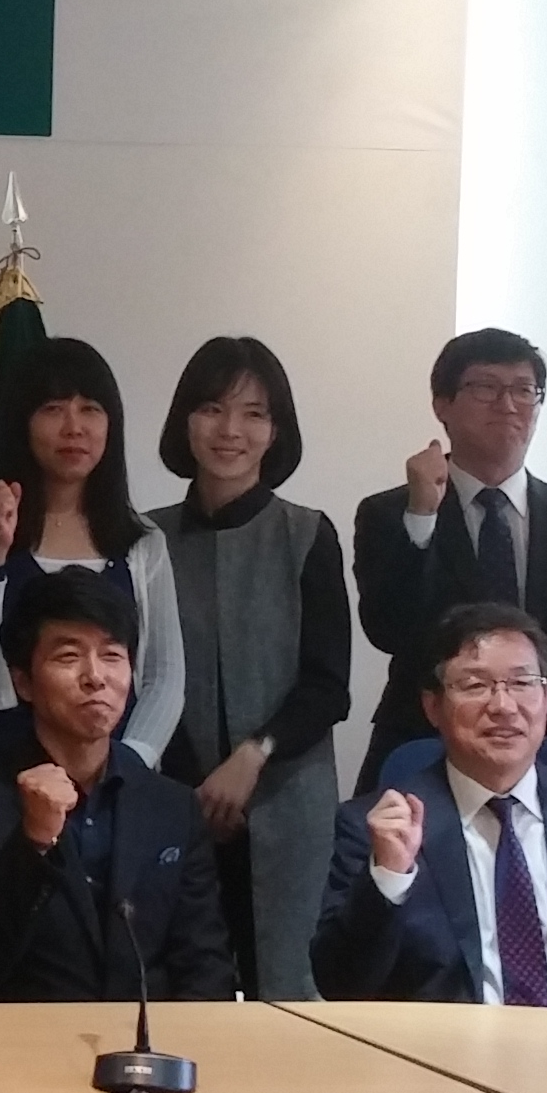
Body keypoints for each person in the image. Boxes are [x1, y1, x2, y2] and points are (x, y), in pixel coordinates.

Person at [319, 605, 547, 1014]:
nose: (503, 705)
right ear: (432, 707)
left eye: (522, 683)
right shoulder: (373, 828)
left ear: (546, 700)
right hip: (444, 1049)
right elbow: (341, 985)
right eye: (475, 685)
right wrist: (388, 878)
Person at [0, 571, 233, 1005]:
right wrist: (33, 844)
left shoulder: (172, 807)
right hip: (21, 1039)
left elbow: (205, 968)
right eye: (69, 657)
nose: (96, 677)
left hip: (147, 1039)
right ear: (23, 682)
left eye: (112, 656)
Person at [148, 336, 349, 1001]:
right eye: (212, 408)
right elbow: (140, 677)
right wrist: (197, 789)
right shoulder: (146, 539)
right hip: (175, 802)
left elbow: (328, 687)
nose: (230, 430)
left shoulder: (306, 533)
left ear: (276, 430)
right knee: (181, 990)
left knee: (287, 994)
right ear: (184, 420)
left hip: (287, 801)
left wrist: (251, 757)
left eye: (254, 413)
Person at [353, 328, 547, 787]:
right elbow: (388, 629)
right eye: (486, 388)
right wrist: (422, 516)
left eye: (524, 390)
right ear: (442, 404)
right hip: (425, 745)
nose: (508, 405)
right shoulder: (391, 512)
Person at [0, 335, 184, 758]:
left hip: (118, 773)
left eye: (90, 409)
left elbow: (165, 675)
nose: (74, 427)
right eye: (53, 409)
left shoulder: (142, 541)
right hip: (4, 765)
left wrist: (130, 765)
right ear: (23, 422)